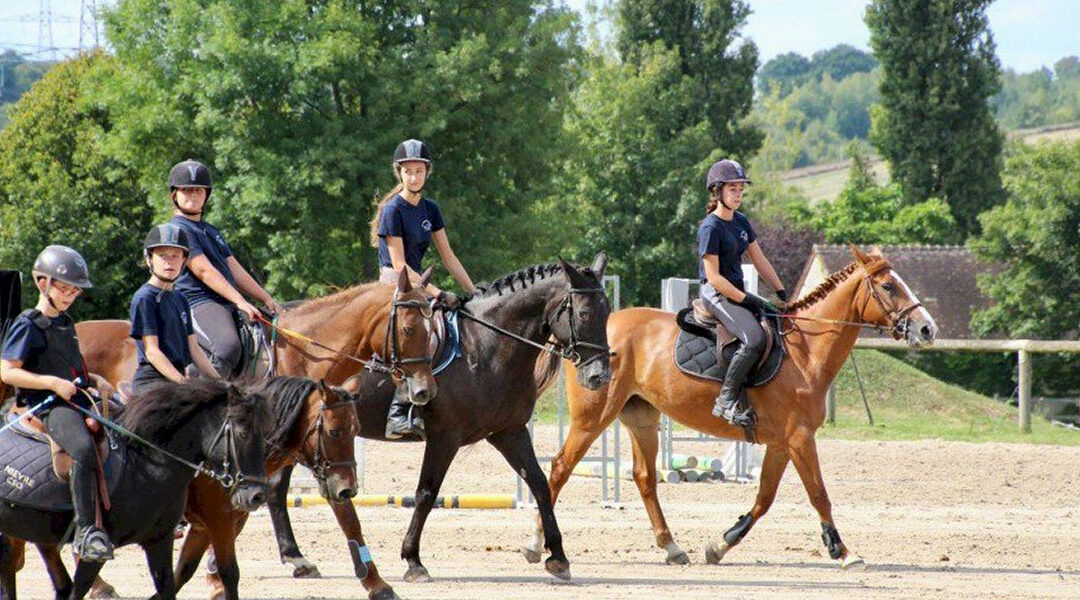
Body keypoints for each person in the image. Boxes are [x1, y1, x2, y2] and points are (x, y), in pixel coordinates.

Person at [0, 245, 114, 561]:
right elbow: (7, 371)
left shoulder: (65, 323)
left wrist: (93, 381)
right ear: (43, 284)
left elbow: (69, 368)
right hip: (47, 406)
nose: (70, 296)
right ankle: (87, 532)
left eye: (75, 291)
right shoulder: (28, 323)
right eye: (65, 289)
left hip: (77, 398)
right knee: (80, 448)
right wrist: (50, 383)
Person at [367, 139, 476, 439]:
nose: (413, 177)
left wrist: (473, 291)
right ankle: (398, 412)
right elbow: (400, 265)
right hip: (394, 282)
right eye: (408, 171)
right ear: (399, 174)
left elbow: (448, 256)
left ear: (427, 173)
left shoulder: (431, 209)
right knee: (418, 334)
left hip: (419, 286)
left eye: (419, 171)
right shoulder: (393, 210)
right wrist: (439, 293)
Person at [167, 159, 282, 379]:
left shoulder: (211, 230)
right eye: (186, 190)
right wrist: (240, 301)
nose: (193, 195)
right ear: (175, 194)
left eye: (198, 190)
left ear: (206, 195)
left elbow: (234, 268)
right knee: (227, 346)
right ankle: (202, 400)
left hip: (224, 301)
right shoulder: (177, 230)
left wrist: (266, 298)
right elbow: (203, 271)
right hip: (197, 301)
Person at [697, 159, 787, 426]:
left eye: (740, 190)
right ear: (718, 192)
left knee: (778, 324)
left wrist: (780, 291)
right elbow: (713, 277)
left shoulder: (742, 221)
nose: (738, 195)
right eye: (733, 189)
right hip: (716, 294)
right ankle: (724, 401)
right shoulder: (710, 228)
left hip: (737, 292)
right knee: (754, 339)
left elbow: (760, 261)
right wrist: (747, 300)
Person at [129, 223, 219, 394]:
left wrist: (220, 383)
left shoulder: (180, 298)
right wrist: (183, 383)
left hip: (176, 377)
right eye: (162, 256)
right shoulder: (144, 298)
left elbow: (194, 348)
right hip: (152, 381)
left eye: (175, 256)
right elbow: (152, 352)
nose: (169, 262)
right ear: (149, 259)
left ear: (183, 260)